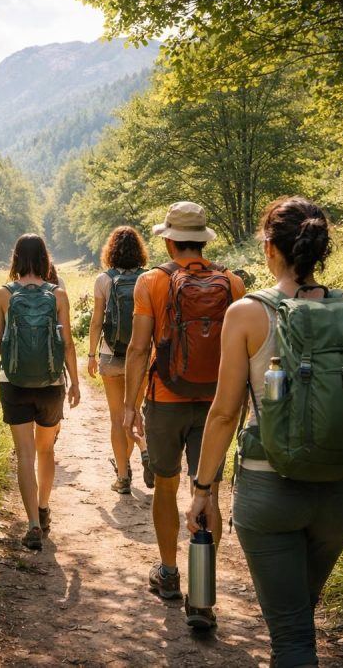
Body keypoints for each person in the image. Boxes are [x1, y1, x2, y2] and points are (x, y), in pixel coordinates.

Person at [186, 196, 343, 664]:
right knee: (300, 612)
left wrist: (203, 491)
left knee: (293, 636)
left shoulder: (246, 313)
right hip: (339, 494)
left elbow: (223, 413)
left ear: (269, 248)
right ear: (320, 249)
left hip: (269, 491)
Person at [123, 201, 246, 627]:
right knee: (206, 491)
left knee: (166, 486)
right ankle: (204, 598)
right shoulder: (233, 283)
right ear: (203, 239)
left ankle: (170, 574)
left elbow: (139, 349)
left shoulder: (152, 282)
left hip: (165, 398)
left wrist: (129, 405)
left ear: (170, 240)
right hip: (216, 406)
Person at [0, 234, 81, 551]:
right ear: (44, 260)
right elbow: (67, 344)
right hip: (51, 385)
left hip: (14, 382)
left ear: (16, 259)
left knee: (24, 454)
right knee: (46, 451)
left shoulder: (2, 295)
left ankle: (33, 525)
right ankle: (43, 507)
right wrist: (75, 382)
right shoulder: (59, 295)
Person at [86, 226, 150, 494]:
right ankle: (145, 451)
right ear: (140, 251)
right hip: (142, 357)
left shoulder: (103, 279)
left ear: (110, 250)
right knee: (134, 412)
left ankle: (123, 477)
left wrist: (91, 354)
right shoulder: (150, 278)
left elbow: (97, 321)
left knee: (116, 418)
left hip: (111, 356)